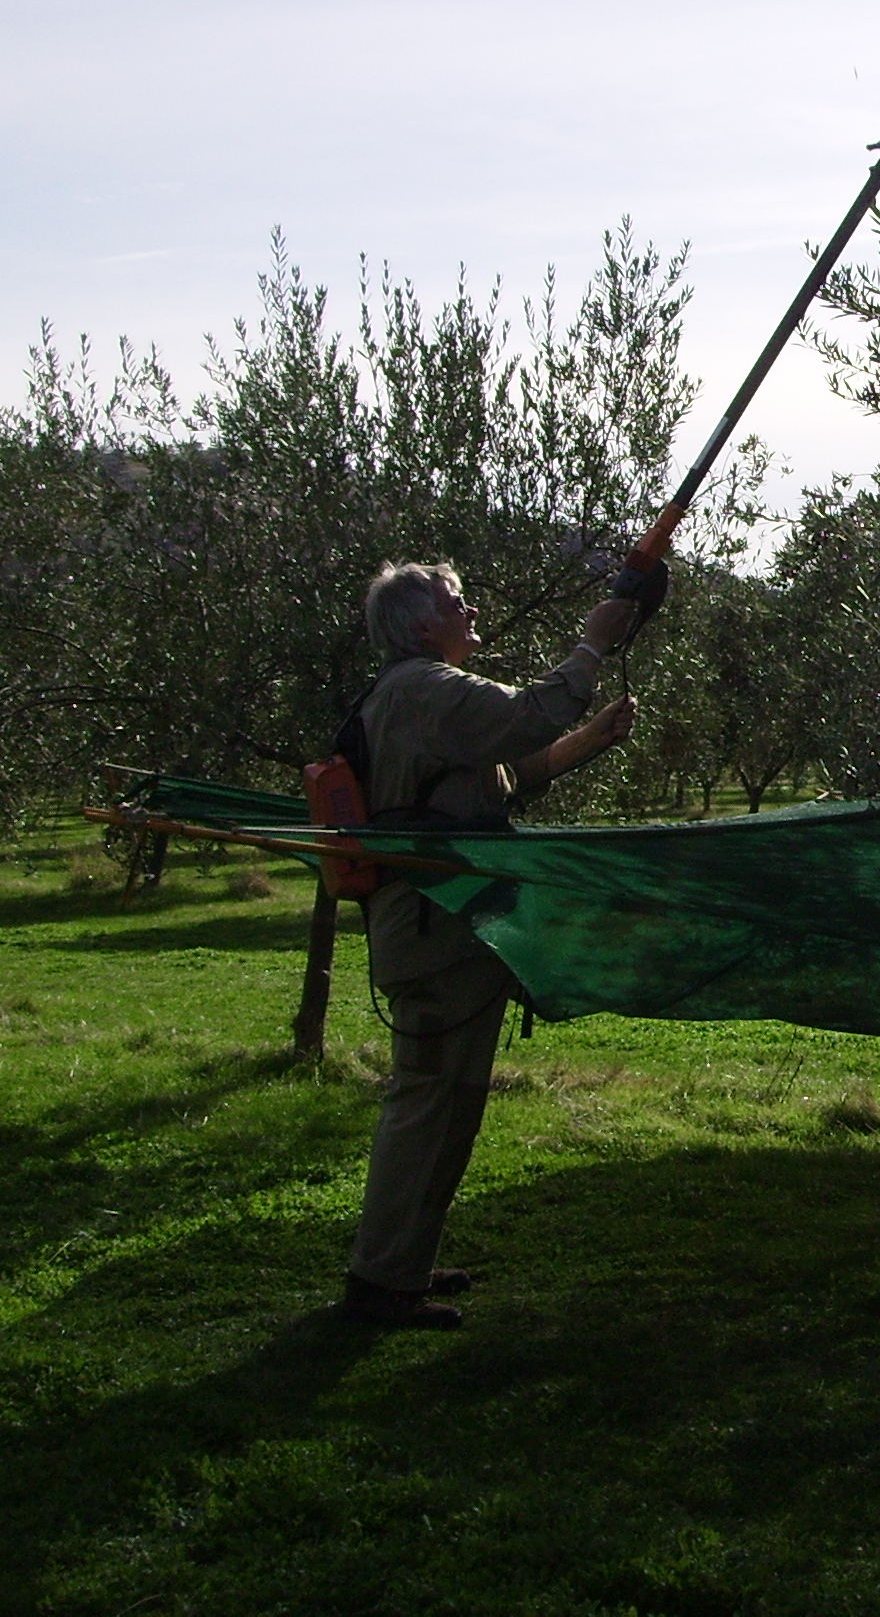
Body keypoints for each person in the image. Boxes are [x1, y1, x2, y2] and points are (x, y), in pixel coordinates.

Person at [336, 560, 644, 1329]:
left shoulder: (424, 700)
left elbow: (506, 777)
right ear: (418, 627)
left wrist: (588, 741)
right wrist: (592, 646)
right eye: (453, 602)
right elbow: (523, 717)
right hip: (432, 929)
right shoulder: (421, 689)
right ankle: (380, 1283)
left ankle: (403, 1265)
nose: (470, 608)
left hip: (453, 928)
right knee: (429, 1101)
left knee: (453, 1104)